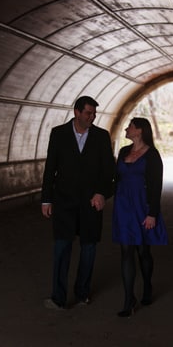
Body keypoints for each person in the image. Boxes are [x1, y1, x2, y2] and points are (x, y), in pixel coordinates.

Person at [41, 96, 115, 309]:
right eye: (88, 113)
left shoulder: (101, 136)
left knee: (89, 248)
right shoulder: (58, 134)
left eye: (94, 114)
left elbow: (108, 170)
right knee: (62, 248)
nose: (92, 117)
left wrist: (102, 193)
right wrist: (46, 199)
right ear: (76, 112)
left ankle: (82, 293)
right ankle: (58, 298)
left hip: (91, 204)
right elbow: (50, 168)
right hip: (63, 202)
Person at [113, 117, 168, 317]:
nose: (127, 129)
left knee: (143, 251)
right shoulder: (123, 152)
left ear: (139, 131)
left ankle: (147, 286)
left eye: (130, 127)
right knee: (126, 251)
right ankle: (129, 299)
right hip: (123, 207)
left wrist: (152, 213)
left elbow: (156, 186)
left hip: (142, 207)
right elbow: (116, 179)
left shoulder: (152, 155)